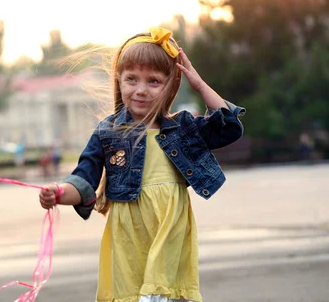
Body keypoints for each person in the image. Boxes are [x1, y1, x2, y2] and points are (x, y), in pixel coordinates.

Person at [38, 28, 245, 302]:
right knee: (132, 292)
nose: (141, 90)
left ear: (170, 85)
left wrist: (199, 84)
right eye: (132, 79)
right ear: (119, 80)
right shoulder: (107, 132)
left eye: (154, 81)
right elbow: (84, 181)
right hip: (129, 236)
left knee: (161, 293)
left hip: (169, 229)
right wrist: (59, 193)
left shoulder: (182, 128)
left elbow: (230, 127)